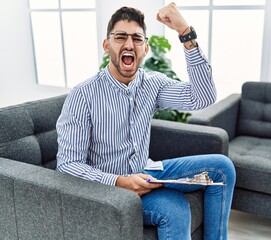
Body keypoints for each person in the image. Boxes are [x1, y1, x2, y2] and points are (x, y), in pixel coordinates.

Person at [56, 3, 235, 240]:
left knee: (222, 168)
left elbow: (202, 96)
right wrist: (119, 181)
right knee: (175, 209)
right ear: (107, 46)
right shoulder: (83, 95)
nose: (129, 44)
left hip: (146, 171)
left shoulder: (153, 84)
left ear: (145, 48)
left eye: (137, 39)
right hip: (109, 188)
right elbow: (68, 164)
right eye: (120, 37)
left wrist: (185, 33)